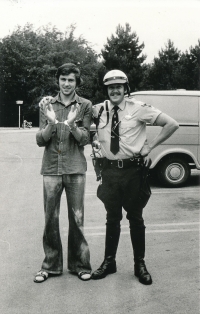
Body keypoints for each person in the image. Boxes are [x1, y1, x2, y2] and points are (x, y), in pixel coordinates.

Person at [91, 70, 179, 285]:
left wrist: (151, 145)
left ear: (125, 88)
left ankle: (140, 264)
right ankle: (109, 262)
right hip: (109, 171)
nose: (114, 90)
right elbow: (78, 116)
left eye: (119, 86)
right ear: (106, 89)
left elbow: (171, 124)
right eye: (110, 87)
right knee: (112, 218)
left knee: (136, 219)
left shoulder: (138, 108)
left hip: (133, 172)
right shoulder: (98, 110)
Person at [34, 63, 92, 283]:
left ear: (77, 82)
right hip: (50, 168)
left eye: (71, 80)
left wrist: (70, 125)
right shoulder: (47, 104)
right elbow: (41, 140)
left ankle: (80, 264)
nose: (67, 84)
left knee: (77, 218)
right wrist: (50, 122)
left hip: (75, 168)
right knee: (51, 219)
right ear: (57, 80)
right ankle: (51, 265)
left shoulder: (85, 105)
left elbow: (85, 138)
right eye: (63, 79)